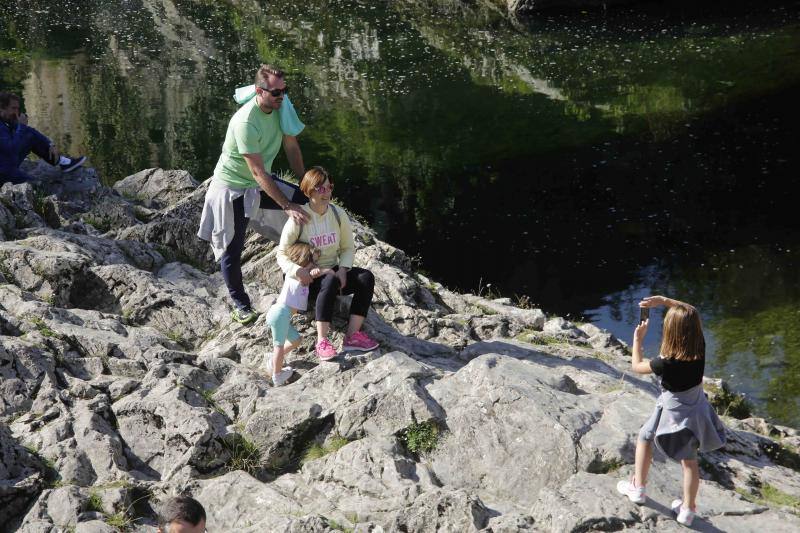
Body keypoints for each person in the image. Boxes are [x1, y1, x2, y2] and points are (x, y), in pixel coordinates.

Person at [197, 64, 309, 325]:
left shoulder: (282, 105)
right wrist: (286, 205)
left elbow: (291, 146)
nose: (282, 96)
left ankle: (301, 286)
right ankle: (240, 304)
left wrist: (305, 183)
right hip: (233, 187)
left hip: (260, 182)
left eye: (285, 91)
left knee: (308, 211)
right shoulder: (245, 121)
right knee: (231, 249)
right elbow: (258, 173)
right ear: (260, 91)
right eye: (276, 92)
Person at [616, 295, 726, 527]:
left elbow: (636, 366)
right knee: (689, 461)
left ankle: (638, 488)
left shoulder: (664, 362)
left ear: (670, 332)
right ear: (695, 329)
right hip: (695, 409)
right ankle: (687, 509)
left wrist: (638, 340)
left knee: (645, 436)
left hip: (671, 411)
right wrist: (664, 301)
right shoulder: (700, 349)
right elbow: (691, 309)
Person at [277, 166, 379, 360]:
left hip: (331, 271)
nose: (327, 193)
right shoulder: (299, 218)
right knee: (329, 281)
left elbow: (348, 247)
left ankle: (352, 337)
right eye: (321, 188)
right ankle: (322, 341)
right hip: (306, 278)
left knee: (366, 277)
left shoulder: (338, 214)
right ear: (309, 190)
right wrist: (297, 271)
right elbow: (281, 253)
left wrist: (343, 269)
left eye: (329, 187)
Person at [264, 242, 332, 385]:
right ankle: (277, 375)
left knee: (296, 340)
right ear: (302, 260)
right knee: (279, 346)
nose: (314, 264)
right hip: (280, 313)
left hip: (282, 316)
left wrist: (318, 271)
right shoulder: (294, 274)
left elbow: (315, 276)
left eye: (316, 261)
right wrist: (324, 271)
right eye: (312, 261)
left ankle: (274, 359)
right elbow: (311, 275)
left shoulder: (305, 277)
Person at [0, 92, 86, 185]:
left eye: (17, 108)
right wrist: (21, 126)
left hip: (7, 165)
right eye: (13, 108)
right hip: (3, 172)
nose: (17, 113)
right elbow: (11, 149)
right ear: (2, 108)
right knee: (37, 185)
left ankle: (62, 162)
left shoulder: (6, 119)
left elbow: (31, 132)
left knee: (29, 135)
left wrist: (50, 144)